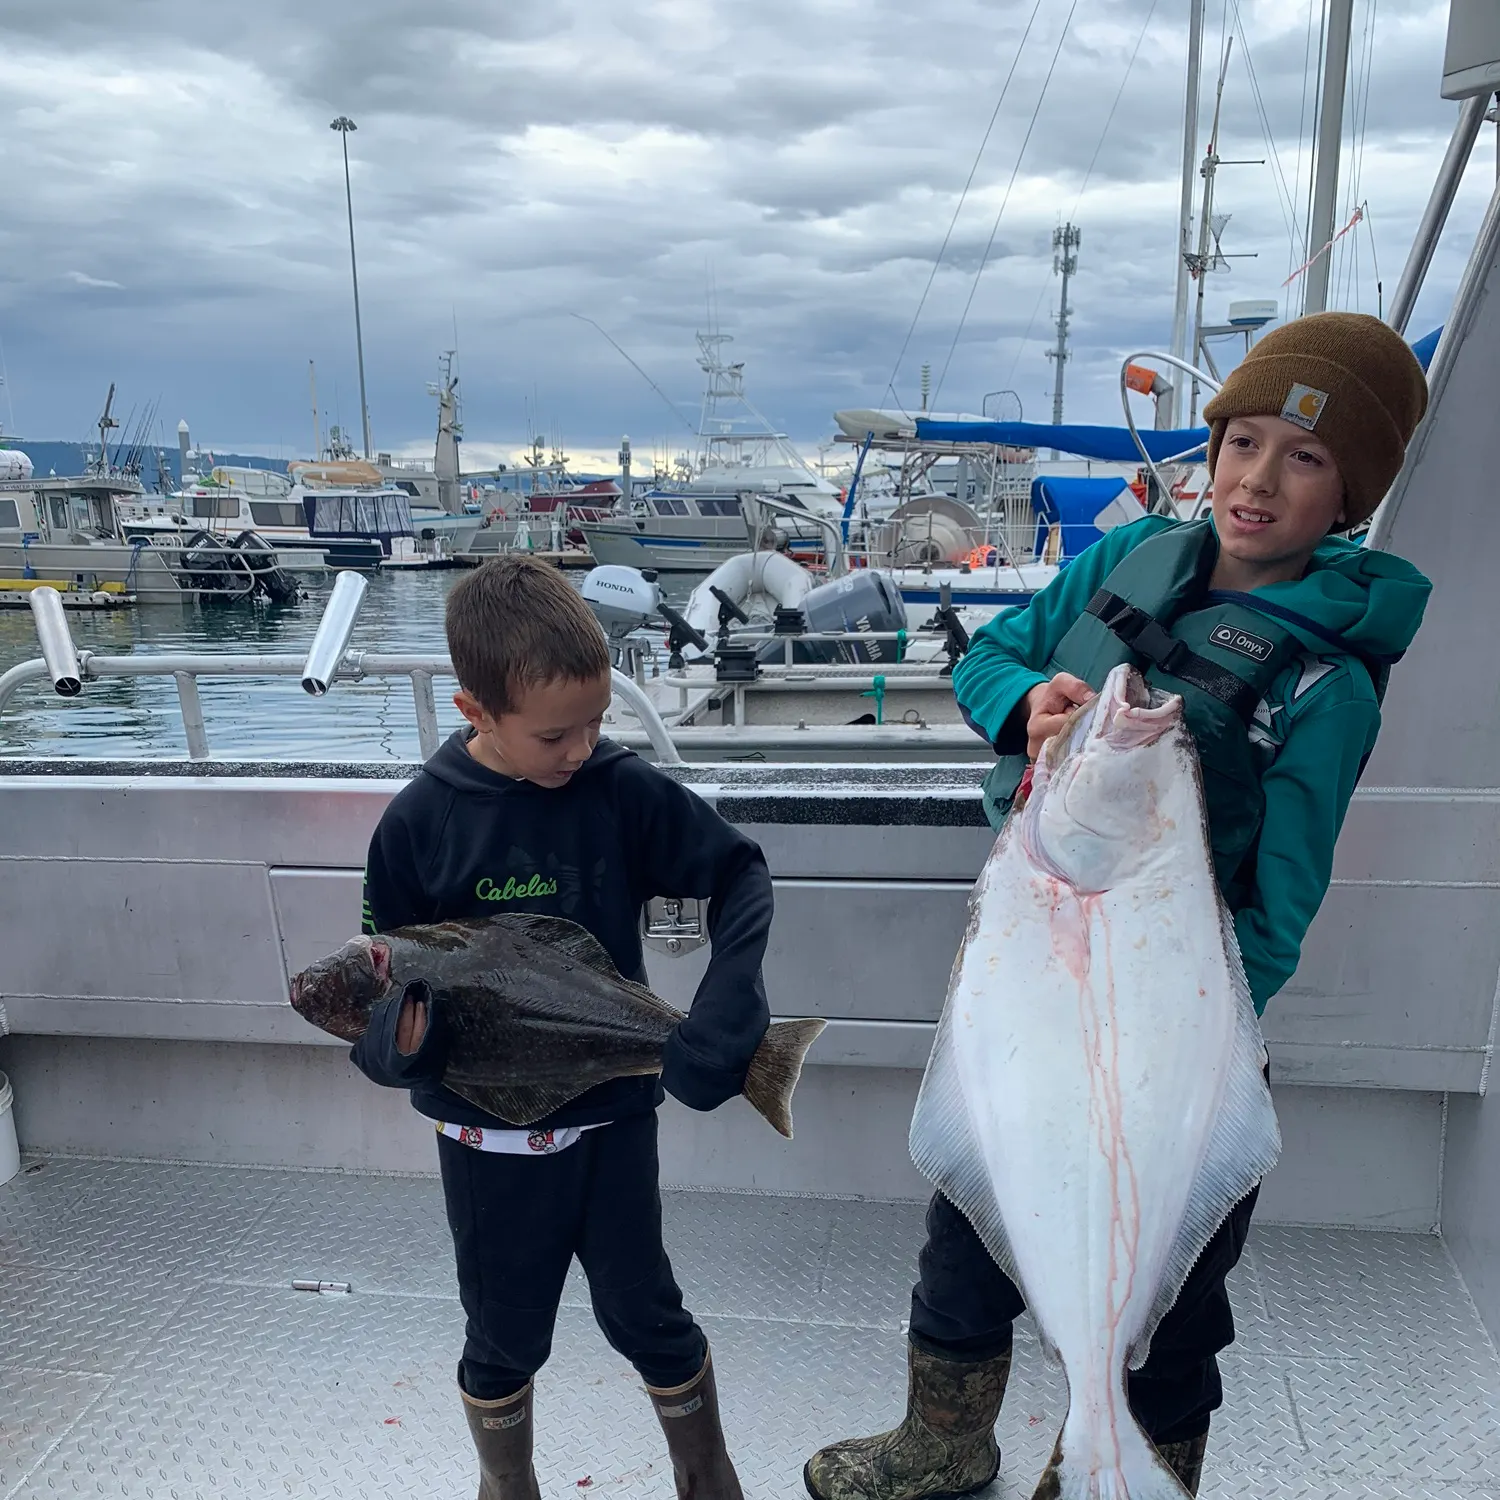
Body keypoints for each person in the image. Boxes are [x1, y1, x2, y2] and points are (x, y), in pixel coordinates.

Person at [804, 311, 1433, 1500]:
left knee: (1179, 1300)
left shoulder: (1328, 683)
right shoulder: (1118, 561)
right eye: (1243, 441)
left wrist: (1198, 1026)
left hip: (1180, 1027)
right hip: (1036, 988)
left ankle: (1124, 1460)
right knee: (970, 1235)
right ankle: (943, 1438)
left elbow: (1285, 899)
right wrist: (1028, 705)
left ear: (1349, 494)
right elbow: (989, 656)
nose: (1258, 479)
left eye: (1305, 458)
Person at [352, 555, 773, 1500]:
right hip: (483, 1142)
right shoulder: (417, 827)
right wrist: (396, 1050)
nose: (581, 747)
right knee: (503, 1335)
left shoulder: (619, 789)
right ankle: (508, 1486)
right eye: (554, 734)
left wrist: (729, 995)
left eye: (597, 721)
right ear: (475, 712)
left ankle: (707, 1472)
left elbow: (740, 872)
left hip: (616, 1120)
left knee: (647, 1313)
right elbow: (380, 1002)